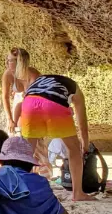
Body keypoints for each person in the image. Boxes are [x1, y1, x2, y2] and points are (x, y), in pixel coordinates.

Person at [14, 73, 94, 202]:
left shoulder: (38, 82)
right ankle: (77, 193)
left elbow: (23, 101)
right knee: (73, 150)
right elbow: (81, 119)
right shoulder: (74, 87)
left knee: (26, 153)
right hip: (54, 104)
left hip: (28, 104)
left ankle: (19, 190)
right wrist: (84, 143)